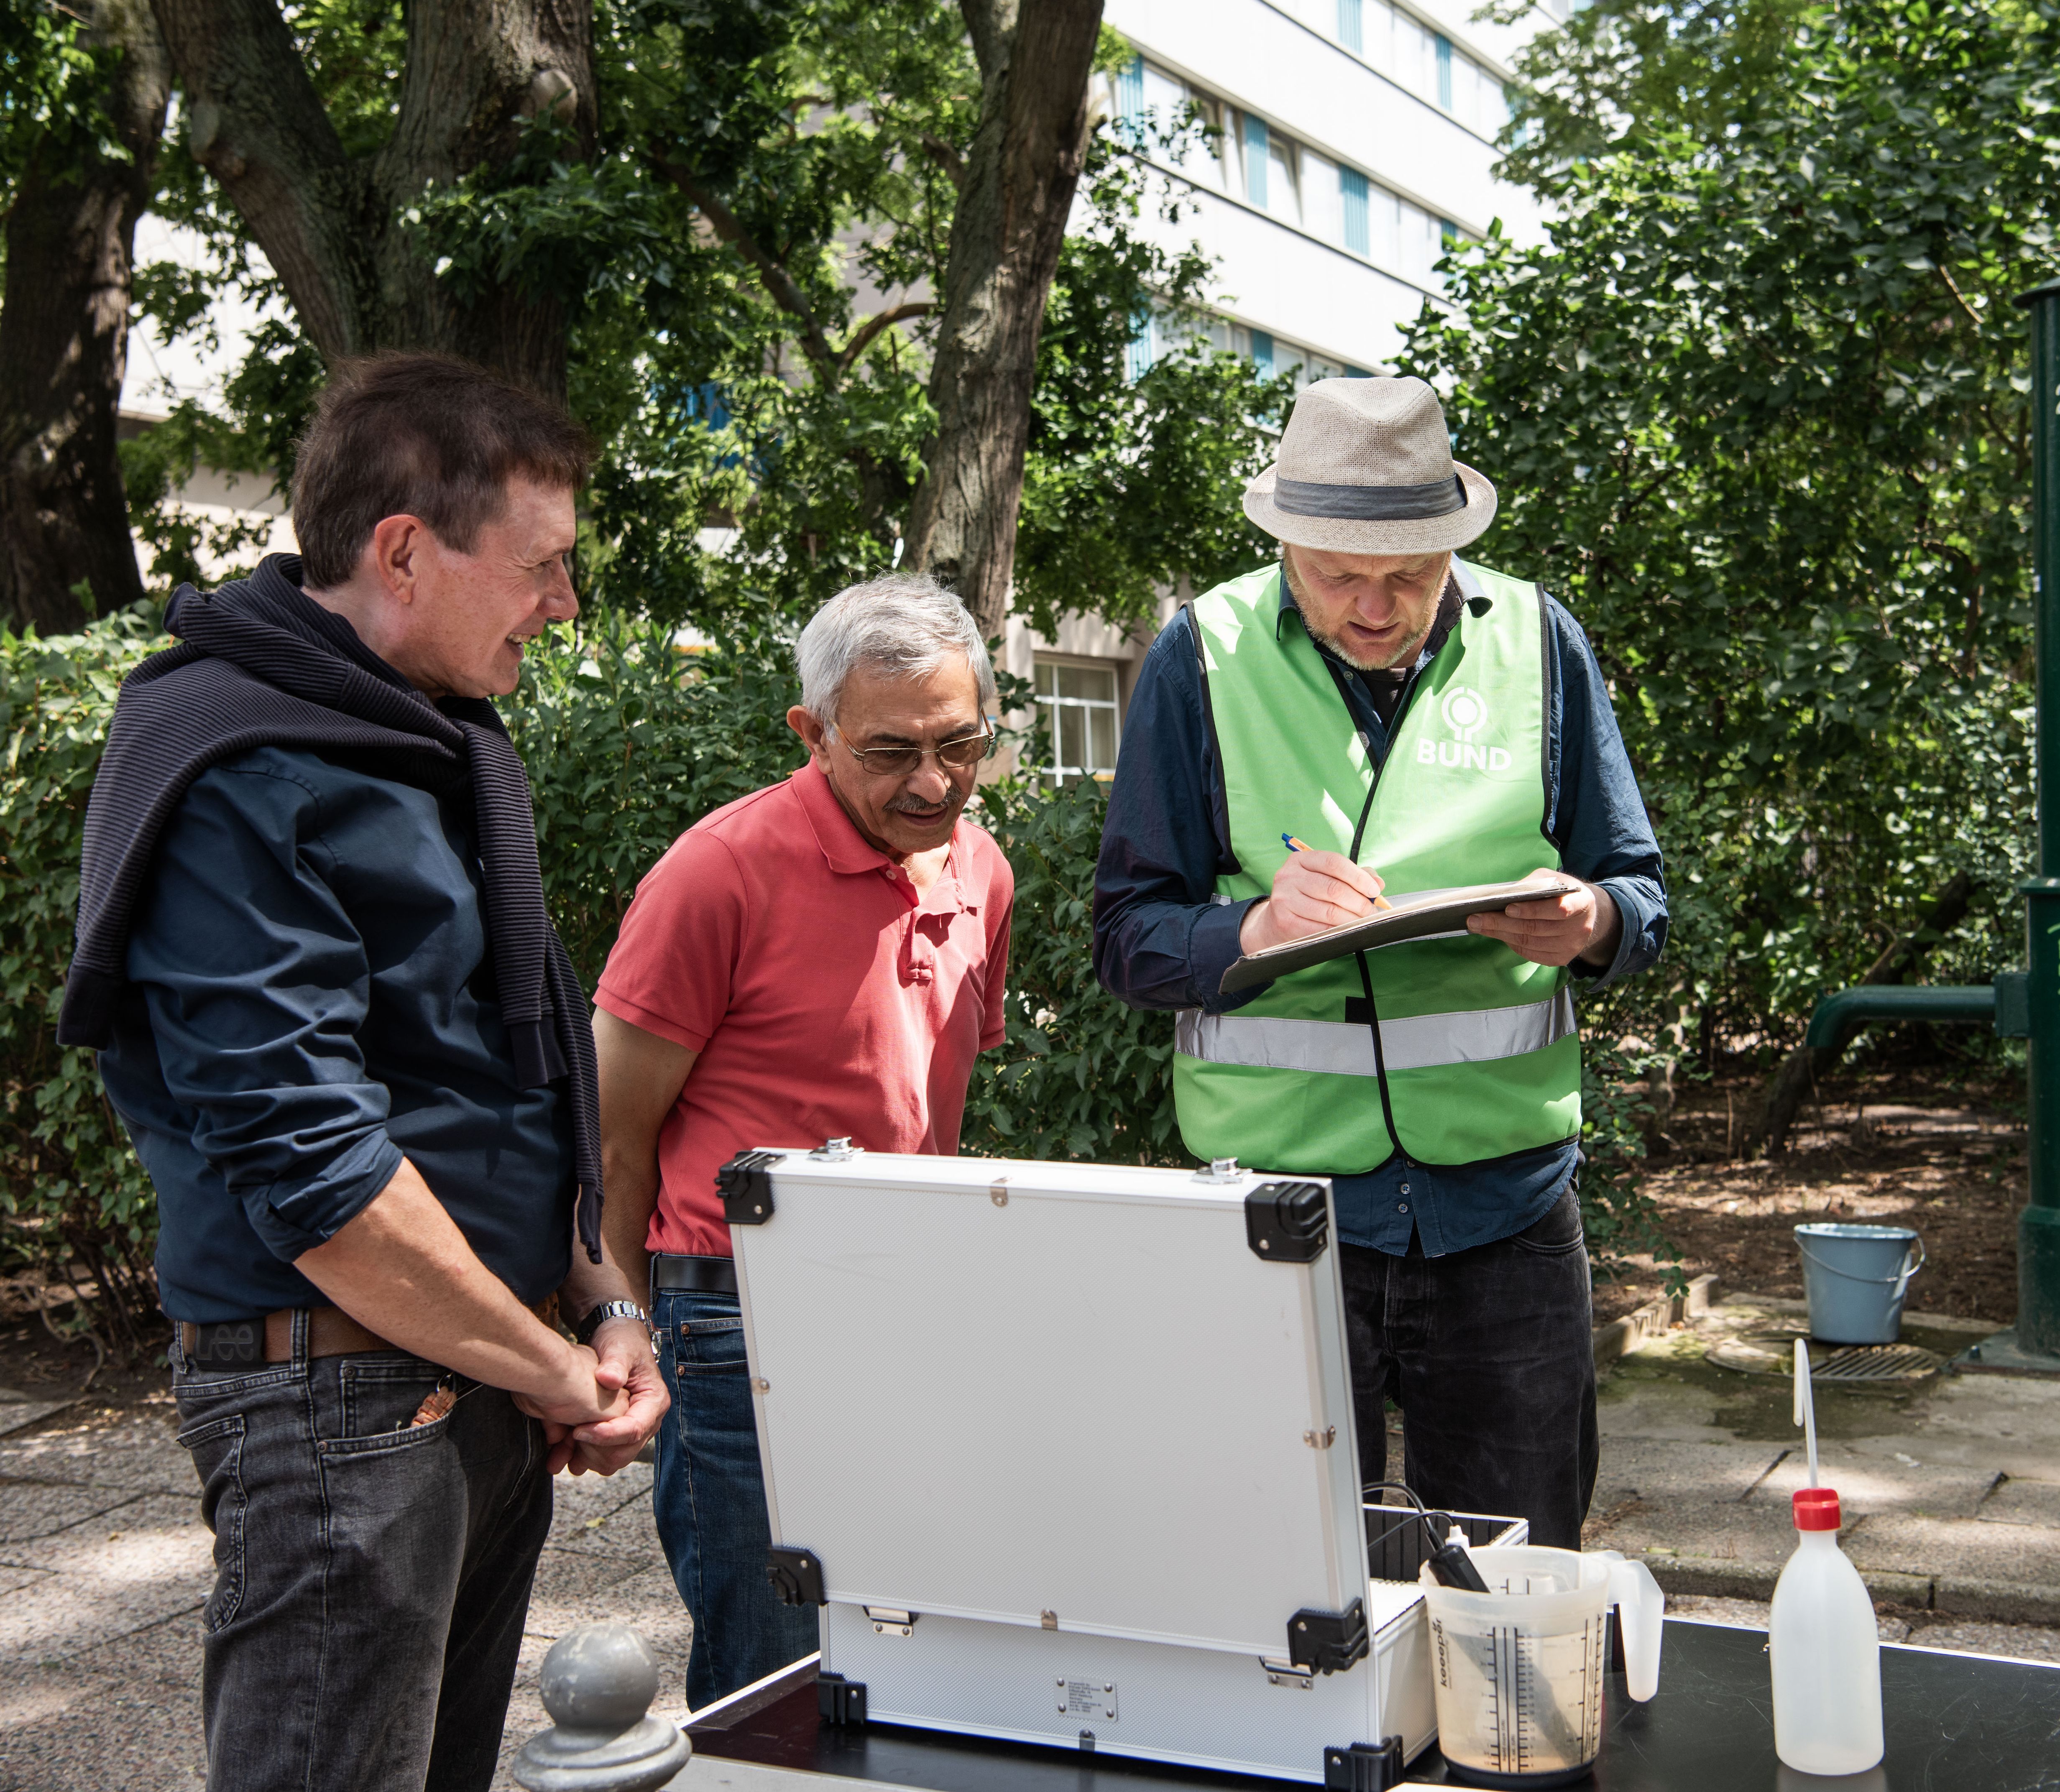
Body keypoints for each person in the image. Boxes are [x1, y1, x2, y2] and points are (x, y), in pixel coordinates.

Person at [62, 353, 668, 1792]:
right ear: (404, 549)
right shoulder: (244, 762)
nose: (566, 604)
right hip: (343, 1416)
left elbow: (493, 1075)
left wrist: (599, 1300)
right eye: (544, 565)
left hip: (473, 1382)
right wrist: (552, 1372)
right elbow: (315, 1170)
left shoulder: (420, 737)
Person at [1092, 376, 1667, 1549]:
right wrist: (1250, 929)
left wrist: (1592, 920)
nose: (1371, 606)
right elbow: (1125, 938)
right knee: (1293, 1590)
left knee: (1519, 1590)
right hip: (1279, 1220)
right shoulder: (1201, 653)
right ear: (1286, 544)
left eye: (1406, 577)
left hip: (1505, 1209)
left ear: (1454, 543)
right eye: (1337, 575)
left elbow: (1640, 895)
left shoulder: (1541, 641)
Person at [593, 572, 1014, 1708]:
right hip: (739, 1319)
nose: (933, 783)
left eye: (960, 744)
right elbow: (611, 1143)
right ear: (812, 732)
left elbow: (938, 1109)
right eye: (891, 753)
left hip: (908, 1301)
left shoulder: (983, 869)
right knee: (771, 1678)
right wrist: (617, 1327)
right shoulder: (718, 873)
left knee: (916, 1657)